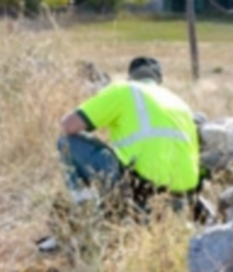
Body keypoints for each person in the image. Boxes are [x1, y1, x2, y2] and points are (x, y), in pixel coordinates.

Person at [56, 57, 200, 207]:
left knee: (66, 141)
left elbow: (68, 125)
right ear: (159, 79)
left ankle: (85, 207)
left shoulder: (124, 90)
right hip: (182, 199)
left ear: (130, 77)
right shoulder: (181, 104)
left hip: (140, 194)